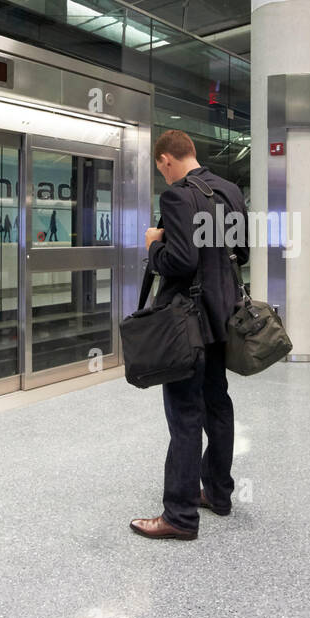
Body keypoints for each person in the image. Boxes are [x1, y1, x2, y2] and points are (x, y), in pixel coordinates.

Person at [130, 130, 247, 541]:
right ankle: (218, 492)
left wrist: (153, 245)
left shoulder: (178, 196)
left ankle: (179, 516)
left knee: (184, 414)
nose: (163, 175)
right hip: (222, 320)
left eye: (161, 168)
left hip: (186, 324)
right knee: (217, 404)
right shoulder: (230, 191)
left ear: (166, 159)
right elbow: (240, 253)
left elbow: (180, 260)